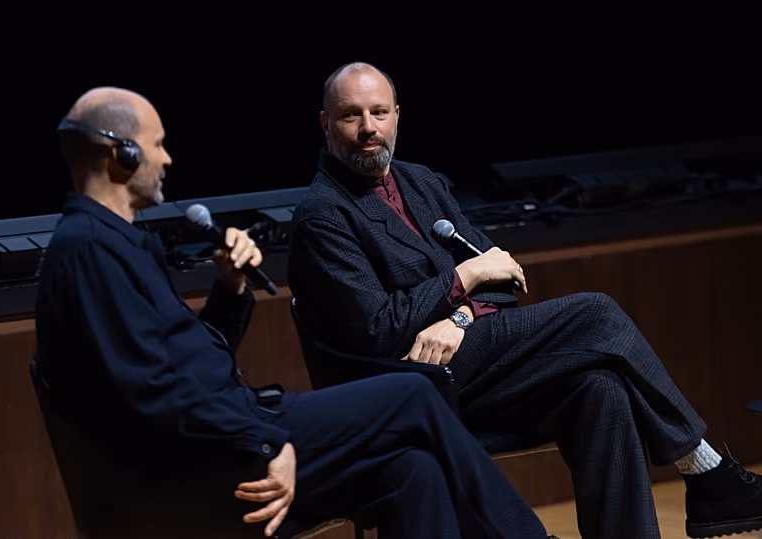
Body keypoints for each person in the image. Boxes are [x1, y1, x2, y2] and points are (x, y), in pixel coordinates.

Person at [33, 86, 559, 539]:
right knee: (414, 391)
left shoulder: (118, 244)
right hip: (205, 463)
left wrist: (230, 288)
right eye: (157, 145)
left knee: (412, 468)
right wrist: (266, 444)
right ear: (120, 154)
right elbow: (150, 394)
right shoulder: (86, 252)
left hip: (227, 430)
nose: (167, 159)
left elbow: (188, 362)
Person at [287, 62, 762, 539]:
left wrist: (460, 315)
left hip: (463, 361)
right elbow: (379, 329)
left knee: (600, 387)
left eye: (378, 112)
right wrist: (465, 275)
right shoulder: (322, 215)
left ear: (397, 116)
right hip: (406, 383)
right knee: (596, 313)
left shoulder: (422, 182)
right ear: (326, 123)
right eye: (351, 115)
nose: (368, 128)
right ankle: (704, 471)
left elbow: (504, 277)